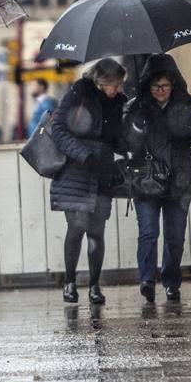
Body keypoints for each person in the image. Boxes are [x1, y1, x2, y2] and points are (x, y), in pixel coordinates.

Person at [122, 54, 191, 303]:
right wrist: (136, 128)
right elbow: (126, 142)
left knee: (175, 235)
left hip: (178, 181)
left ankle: (171, 283)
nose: (160, 91)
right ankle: (147, 280)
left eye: (165, 86)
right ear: (148, 85)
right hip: (146, 180)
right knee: (148, 232)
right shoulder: (138, 106)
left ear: (173, 84)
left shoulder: (184, 104)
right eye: (155, 86)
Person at [48, 58, 127, 304]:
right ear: (101, 82)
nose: (119, 89)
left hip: (102, 174)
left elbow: (118, 139)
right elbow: (58, 130)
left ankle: (94, 285)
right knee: (77, 227)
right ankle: (70, 282)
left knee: (97, 231)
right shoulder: (77, 95)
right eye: (115, 84)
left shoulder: (120, 104)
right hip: (76, 174)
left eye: (121, 84)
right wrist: (84, 154)